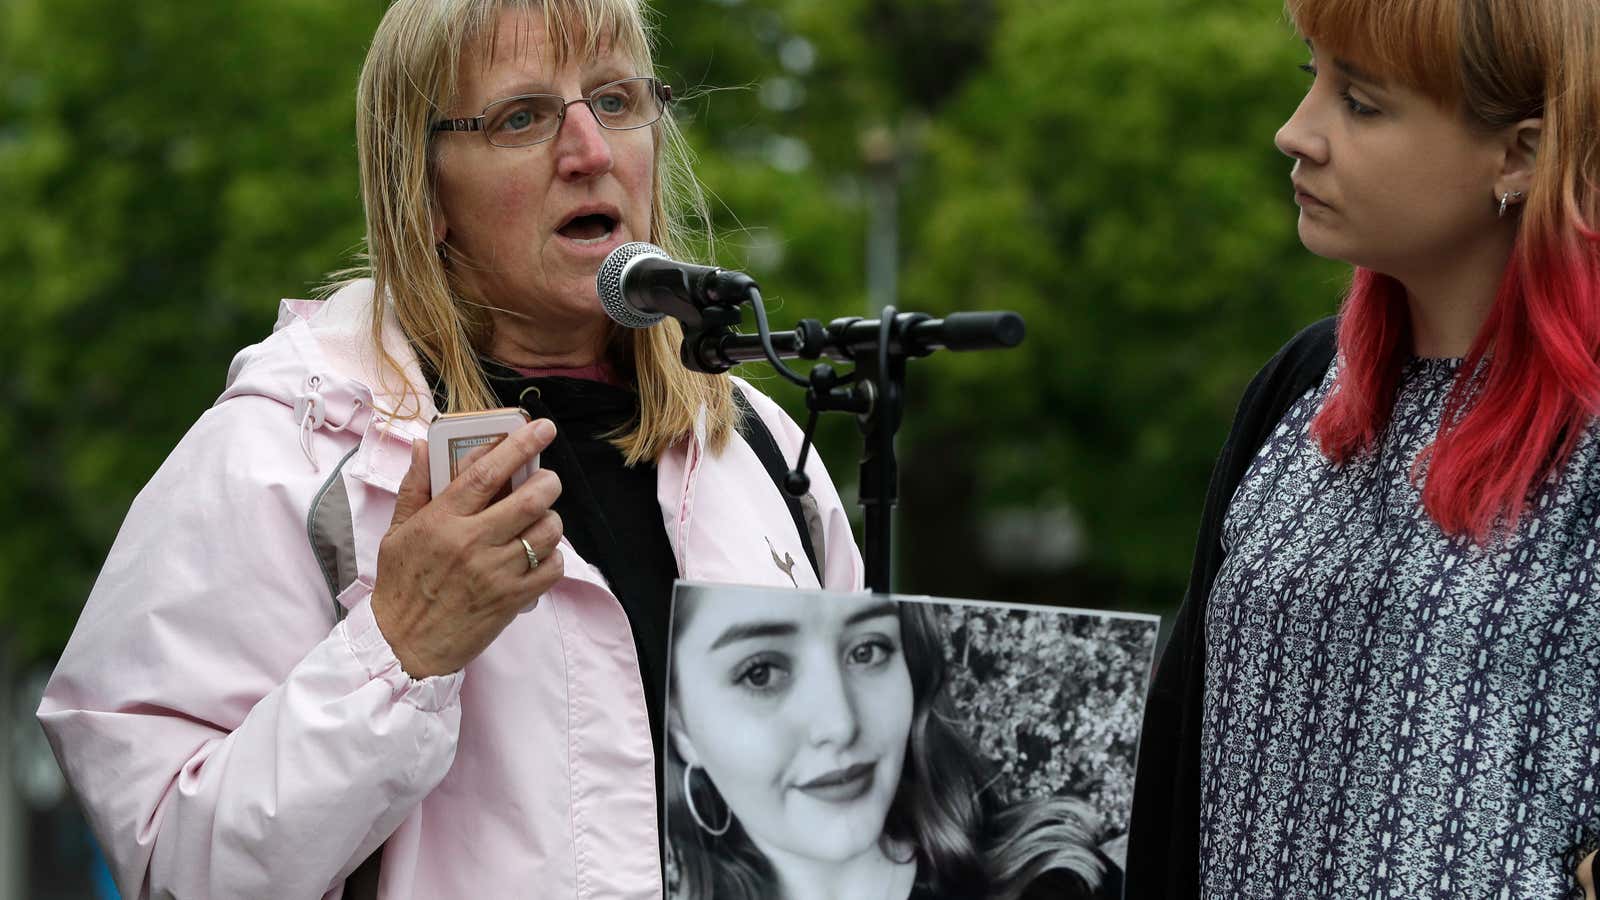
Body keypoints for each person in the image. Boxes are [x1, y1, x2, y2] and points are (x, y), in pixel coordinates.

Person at [35, 1, 862, 897]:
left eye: (617, 101)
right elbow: (168, 863)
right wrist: (398, 650)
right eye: (522, 117)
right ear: (423, 192)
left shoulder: (759, 449)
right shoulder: (289, 451)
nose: (590, 151)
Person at [1126, 0, 1600, 896]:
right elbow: (1174, 763)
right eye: (1315, 77)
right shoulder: (1302, 385)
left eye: (1364, 103)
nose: (1294, 134)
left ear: (1522, 154)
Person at [665, 585, 1122, 900]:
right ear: (680, 726)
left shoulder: (1054, 884)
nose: (840, 724)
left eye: (867, 650)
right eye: (760, 672)